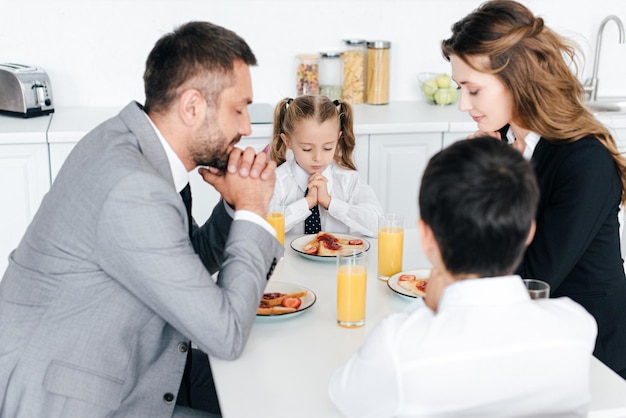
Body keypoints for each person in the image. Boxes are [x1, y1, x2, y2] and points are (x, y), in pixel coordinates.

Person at [0, 21, 283, 418]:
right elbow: (226, 334)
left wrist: (234, 205)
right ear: (191, 106)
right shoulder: (134, 187)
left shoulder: (131, 144)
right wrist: (253, 211)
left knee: (269, 388)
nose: (247, 128)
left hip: (126, 363)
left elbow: (186, 267)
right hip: (77, 396)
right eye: (238, 109)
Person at [328, 137, 598, 417]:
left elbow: (340, 396)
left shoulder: (397, 345)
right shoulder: (576, 327)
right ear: (530, 232)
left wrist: (425, 306)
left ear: (426, 236)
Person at [440, 0, 626, 379]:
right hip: (533, 336)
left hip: (594, 360)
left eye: (473, 90)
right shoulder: (510, 142)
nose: (463, 105)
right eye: (460, 89)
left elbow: (532, 280)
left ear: (515, 80)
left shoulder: (583, 160)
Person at [269, 95, 383, 237]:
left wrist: (330, 203)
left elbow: (379, 224)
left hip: (338, 259)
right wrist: (307, 203)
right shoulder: (276, 181)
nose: (318, 158)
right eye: (307, 149)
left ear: (338, 138)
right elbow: (262, 228)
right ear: (287, 141)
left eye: (328, 148)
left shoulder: (348, 179)